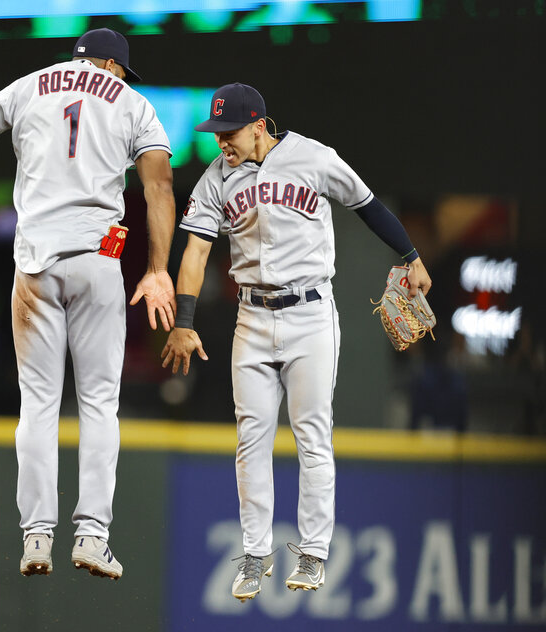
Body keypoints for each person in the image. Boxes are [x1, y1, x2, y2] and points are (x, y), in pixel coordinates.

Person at [0, 28, 177, 580]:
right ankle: (92, 536)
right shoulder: (134, 103)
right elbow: (159, 188)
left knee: (39, 404)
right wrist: (158, 269)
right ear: (114, 66)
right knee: (97, 402)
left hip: (35, 266)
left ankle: (37, 538)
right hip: (97, 261)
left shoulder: (28, 88)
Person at [161, 84, 433, 601]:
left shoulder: (313, 157)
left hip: (309, 314)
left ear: (259, 124)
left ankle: (312, 553)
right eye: (216, 133)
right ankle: (256, 552)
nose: (222, 143)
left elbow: (368, 204)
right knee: (251, 439)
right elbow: (194, 251)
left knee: (311, 435)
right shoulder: (216, 177)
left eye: (230, 131)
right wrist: (185, 318)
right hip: (253, 318)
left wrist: (411, 255)